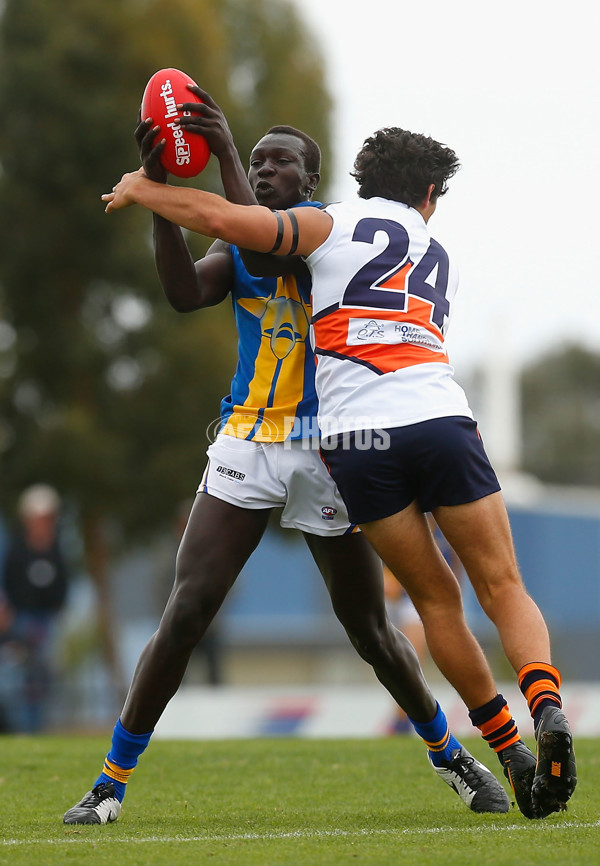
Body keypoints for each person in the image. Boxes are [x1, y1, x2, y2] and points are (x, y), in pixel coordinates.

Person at [99, 120, 577, 822]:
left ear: (321, 183)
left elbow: (258, 242)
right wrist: (171, 188)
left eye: (280, 162)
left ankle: (463, 753)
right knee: (190, 606)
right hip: (280, 433)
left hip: (343, 444)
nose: (265, 171)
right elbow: (190, 286)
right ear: (428, 195)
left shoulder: (316, 231)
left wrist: (186, 172)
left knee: (380, 624)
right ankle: (110, 780)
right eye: (257, 162)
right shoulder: (416, 241)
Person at [0, 484, 69, 731]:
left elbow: (62, 585)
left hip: (47, 622)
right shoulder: (17, 549)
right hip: (21, 621)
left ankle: (38, 728)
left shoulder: (57, 548)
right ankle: (19, 729)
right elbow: (9, 583)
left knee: (43, 681)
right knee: (18, 679)